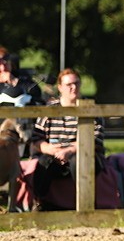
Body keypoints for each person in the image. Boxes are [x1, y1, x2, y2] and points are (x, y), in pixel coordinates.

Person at [30, 68, 104, 209]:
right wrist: (52, 150)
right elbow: (36, 140)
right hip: (55, 155)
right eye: (69, 84)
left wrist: (70, 150)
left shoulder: (92, 108)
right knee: (43, 162)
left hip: (84, 156)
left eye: (76, 83)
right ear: (60, 87)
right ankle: (39, 203)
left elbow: (96, 139)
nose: (73, 87)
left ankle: (87, 206)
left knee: (79, 160)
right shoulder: (49, 110)